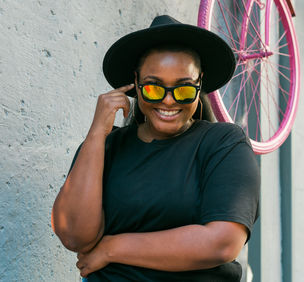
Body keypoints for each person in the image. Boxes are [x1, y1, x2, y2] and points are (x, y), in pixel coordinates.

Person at [51, 15, 260, 281]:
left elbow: (222, 243)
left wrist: (112, 249)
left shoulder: (223, 144)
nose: (169, 100)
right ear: (136, 84)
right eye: (153, 88)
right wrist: (96, 134)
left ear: (200, 84)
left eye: (184, 90)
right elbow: (74, 234)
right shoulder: (106, 147)